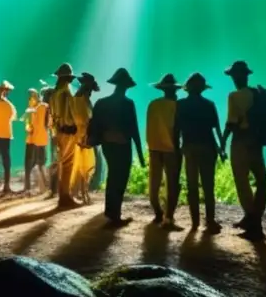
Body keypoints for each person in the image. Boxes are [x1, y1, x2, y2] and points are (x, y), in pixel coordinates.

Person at [91, 68, 145, 227]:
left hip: (108, 145)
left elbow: (94, 125)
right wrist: (141, 155)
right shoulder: (128, 104)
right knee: (120, 178)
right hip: (123, 145)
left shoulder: (102, 102)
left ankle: (110, 212)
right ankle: (116, 214)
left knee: (112, 176)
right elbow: (134, 130)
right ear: (127, 86)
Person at [223, 61, 266, 241]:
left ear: (236, 77)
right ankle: (254, 217)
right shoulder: (256, 94)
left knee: (242, 180)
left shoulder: (234, 95)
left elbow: (231, 122)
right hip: (256, 141)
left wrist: (222, 142)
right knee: (261, 180)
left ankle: (253, 221)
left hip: (240, 140)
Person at [176, 72, 224, 233]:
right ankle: (210, 221)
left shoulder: (180, 104)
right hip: (208, 148)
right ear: (203, 89)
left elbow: (176, 129)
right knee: (208, 185)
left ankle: (195, 221)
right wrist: (221, 147)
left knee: (192, 185)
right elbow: (216, 129)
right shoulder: (209, 104)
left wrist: (177, 147)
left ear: (187, 88)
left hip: (189, 147)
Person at [147, 73, 182, 230]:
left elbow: (149, 127)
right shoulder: (177, 106)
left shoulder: (153, 104)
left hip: (154, 146)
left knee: (154, 181)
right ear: (174, 90)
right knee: (172, 183)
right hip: (171, 148)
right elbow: (176, 130)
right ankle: (169, 217)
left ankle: (157, 212)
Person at [50, 63, 80, 208]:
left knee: (63, 163)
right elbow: (68, 115)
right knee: (68, 164)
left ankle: (63, 195)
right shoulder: (66, 93)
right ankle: (65, 197)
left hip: (58, 131)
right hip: (67, 131)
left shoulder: (55, 93)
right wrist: (75, 127)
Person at [72, 72, 99, 204]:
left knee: (81, 166)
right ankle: (83, 194)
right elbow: (85, 119)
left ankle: (82, 193)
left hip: (80, 136)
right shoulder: (83, 101)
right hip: (83, 136)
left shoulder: (78, 99)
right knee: (85, 166)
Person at [23, 88, 50, 195]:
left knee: (41, 163)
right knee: (30, 164)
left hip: (40, 140)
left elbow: (48, 122)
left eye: (33, 97)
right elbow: (27, 123)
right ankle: (28, 187)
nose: (31, 100)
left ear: (38, 97)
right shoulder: (30, 110)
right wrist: (28, 127)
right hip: (31, 140)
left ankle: (44, 188)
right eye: (30, 98)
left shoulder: (44, 107)